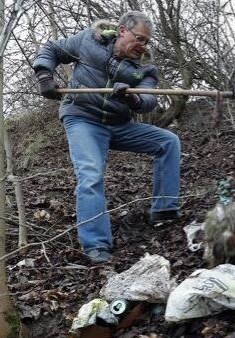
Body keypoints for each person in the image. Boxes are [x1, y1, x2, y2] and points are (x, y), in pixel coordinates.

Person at [32, 11, 180, 264]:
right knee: (90, 174)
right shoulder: (89, 41)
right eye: (139, 38)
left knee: (168, 142)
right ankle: (96, 245)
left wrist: (132, 98)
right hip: (83, 119)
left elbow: (148, 101)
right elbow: (52, 49)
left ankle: (164, 210)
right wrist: (45, 75)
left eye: (146, 42)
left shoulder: (144, 69)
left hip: (119, 124)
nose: (142, 46)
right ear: (122, 30)